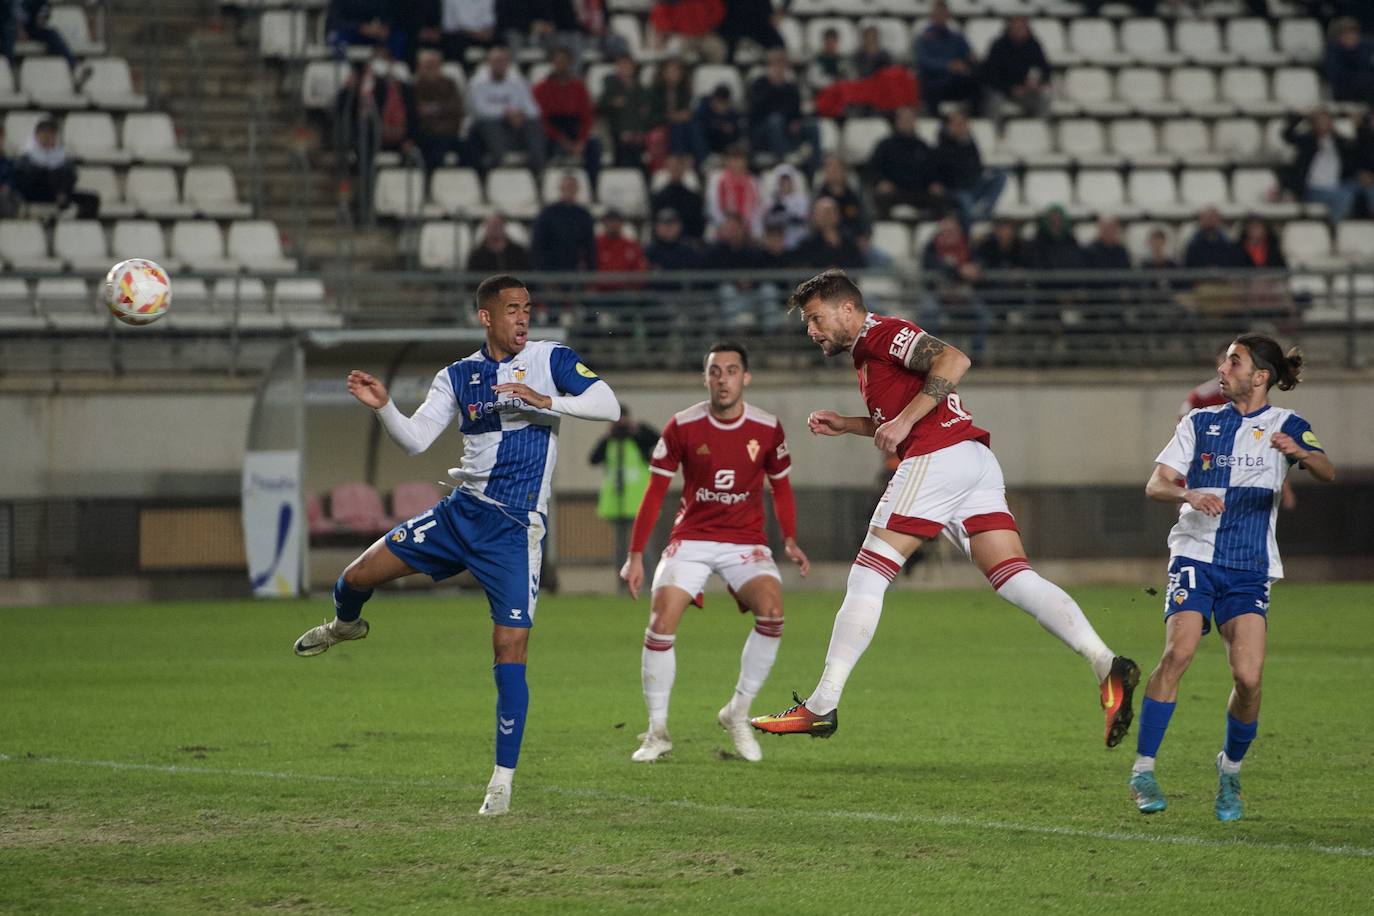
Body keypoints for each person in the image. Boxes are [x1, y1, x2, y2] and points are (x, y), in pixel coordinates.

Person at [750, 269, 1139, 750]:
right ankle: (1106, 664)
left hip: (939, 458)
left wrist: (906, 421)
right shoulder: (869, 355)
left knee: (868, 575)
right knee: (1014, 578)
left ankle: (822, 704)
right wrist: (850, 424)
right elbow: (898, 420)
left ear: (846, 309)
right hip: (971, 461)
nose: (811, 331)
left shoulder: (882, 333)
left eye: (815, 318)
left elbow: (954, 359)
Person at [291, 274, 621, 817]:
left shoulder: (550, 359)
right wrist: (383, 407)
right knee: (352, 579)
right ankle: (345, 625)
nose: (523, 318)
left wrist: (547, 399)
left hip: (515, 532)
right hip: (459, 516)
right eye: (512, 309)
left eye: (527, 308)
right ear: (485, 317)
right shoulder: (458, 376)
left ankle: (501, 781)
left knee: (509, 650)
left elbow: (607, 404)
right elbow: (417, 439)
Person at [1129, 335, 1334, 821]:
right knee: (1178, 652)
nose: (1223, 367)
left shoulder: (1288, 425)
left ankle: (1230, 771)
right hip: (1195, 556)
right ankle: (1143, 769)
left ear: (1260, 376)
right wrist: (1189, 494)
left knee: (1248, 678)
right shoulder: (1199, 422)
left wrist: (1300, 454)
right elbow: (1156, 482)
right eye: (1225, 358)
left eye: (1234, 360)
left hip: (1249, 566)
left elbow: (1327, 469)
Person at [620, 341, 809, 763]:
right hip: (692, 537)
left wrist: (791, 539)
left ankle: (737, 712)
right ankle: (657, 731)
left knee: (773, 612)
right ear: (705, 378)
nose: (722, 379)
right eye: (715, 371)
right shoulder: (682, 426)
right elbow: (654, 492)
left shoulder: (767, 428)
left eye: (731, 371)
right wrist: (635, 554)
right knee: (662, 616)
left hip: (745, 542)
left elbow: (780, 486)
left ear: (746, 378)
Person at [590, 403, 660, 568]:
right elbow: (593, 459)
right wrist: (607, 436)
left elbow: (658, 438)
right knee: (620, 547)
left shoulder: (638, 440)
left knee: (643, 545)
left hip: (639, 503)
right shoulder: (610, 442)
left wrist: (637, 430)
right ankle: (622, 586)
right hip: (617, 503)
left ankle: (648, 583)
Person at [532, 46, 603, 189]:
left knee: (595, 145)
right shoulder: (540, 88)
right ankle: (545, 186)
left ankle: (592, 186)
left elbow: (587, 118)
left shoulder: (579, 87)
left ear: (570, 63)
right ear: (552, 63)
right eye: (558, 61)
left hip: (574, 129)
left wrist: (581, 141)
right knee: (544, 145)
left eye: (564, 61)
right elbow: (542, 120)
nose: (561, 65)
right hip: (552, 132)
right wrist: (562, 141)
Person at [466, 46, 545, 173]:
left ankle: (537, 169)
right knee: (489, 124)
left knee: (534, 124)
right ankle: (497, 167)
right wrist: (506, 113)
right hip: (487, 125)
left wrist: (521, 113)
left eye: (503, 61)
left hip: (514, 124)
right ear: (488, 63)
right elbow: (479, 110)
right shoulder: (477, 82)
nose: (500, 65)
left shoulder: (517, 80)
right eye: (497, 61)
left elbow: (534, 109)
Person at [1280, 109, 1365, 223]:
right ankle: (1333, 227)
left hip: (1335, 186)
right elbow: (1287, 135)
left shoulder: (1339, 142)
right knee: (1344, 196)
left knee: (1364, 188)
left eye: (1325, 121)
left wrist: (1358, 128)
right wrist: (1302, 118)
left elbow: (1358, 152)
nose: (1322, 124)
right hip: (1314, 189)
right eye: (1319, 121)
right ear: (1314, 124)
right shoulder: (1307, 140)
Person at [747, 48, 820, 172]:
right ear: (769, 67)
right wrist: (772, 86)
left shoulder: (790, 87)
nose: (778, 68)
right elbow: (755, 111)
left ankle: (816, 166)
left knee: (813, 126)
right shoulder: (760, 84)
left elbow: (796, 111)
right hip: (763, 131)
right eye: (775, 64)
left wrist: (796, 121)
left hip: (786, 128)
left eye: (781, 64)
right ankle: (786, 158)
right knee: (775, 119)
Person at [933, 108, 1005, 227]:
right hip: (954, 189)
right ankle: (973, 225)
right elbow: (941, 171)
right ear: (950, 125)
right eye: (957, 124)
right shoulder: (942, 146)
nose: (961, 127)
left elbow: (977, 165)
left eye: (963, 124)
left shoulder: (970, 143)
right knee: (966, 200)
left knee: (1000, 176)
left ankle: (985, 212)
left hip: (972, 184)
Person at [869, 106, 943, 218]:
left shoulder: (923, 146)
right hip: (895, 191)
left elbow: (932, 171)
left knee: (940, 197)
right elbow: (874, 168)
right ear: (897, 122)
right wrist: (881, 181)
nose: (906, 122)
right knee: (882, 197)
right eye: (903, 119)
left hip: (919, 191)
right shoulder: (885, 145)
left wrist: (934, 183)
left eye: (910, 119)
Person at [13, 118, 97, 217]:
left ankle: (77, 227)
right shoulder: (26, 156)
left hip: (58, 194)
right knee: (48, 173)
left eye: (51, 133)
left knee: (92, 200)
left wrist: (63, 189)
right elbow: (21, 180)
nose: (47, 137)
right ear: (36, 136)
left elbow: (72, 177)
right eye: (44, 133)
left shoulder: (63, 156)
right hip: (33, 194)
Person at [913, 1, 979, 115]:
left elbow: (968, 56)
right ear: (932, 15)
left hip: (954, 80)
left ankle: (973, 117)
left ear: (948, 16)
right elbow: (922, 61)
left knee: (977, 82)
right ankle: (933, 119)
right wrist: (948, 66)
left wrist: (967, 62)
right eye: (937, 13)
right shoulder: (924, 38)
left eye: (943, 13)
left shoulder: (956, 37)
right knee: (929, 88)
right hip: (933, 80)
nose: (940, 16)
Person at [980, 15, 1051, 119]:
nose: (1019, 31)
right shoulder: (998, 46)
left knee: (1045, 97)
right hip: (1001, 89)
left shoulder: (1034, 45)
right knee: (994, 100)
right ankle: (994, 131)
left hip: (1025, 91)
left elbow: (1045, 68)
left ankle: (1041, 129)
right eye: (1016, 28)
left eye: (1022, 28)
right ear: (1009, 29)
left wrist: (1038, 83)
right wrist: (1011, 89)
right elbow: (990, 75)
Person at [411, 48, 467, 173]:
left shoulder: (449, 83)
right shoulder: (414, 86)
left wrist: (433, 108)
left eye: (434, 64)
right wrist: (441, 109)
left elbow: (457, 108)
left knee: (470, 150)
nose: (432, 68)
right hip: (426, 133)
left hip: (449, 131)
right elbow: (418, 112)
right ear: (420, 67)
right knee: (434, 150)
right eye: (428, 65)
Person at [532, 171, 596, 272]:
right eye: (566, 187)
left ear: (576, 189)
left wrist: (589, 269)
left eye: (572, 187)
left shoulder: (584, 215)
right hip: (551, 269)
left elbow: (589, 246)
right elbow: (539, 244)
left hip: (576, 270)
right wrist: (544, 269)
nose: (569, 190)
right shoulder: (547, 214)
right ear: (561, 188)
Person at [598, 54, 653, 168]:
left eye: (628, 65)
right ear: (617, 68)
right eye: (622, 65)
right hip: (617, 131)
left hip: (638, 132)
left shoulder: (640, 88)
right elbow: (600, 107)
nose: (625, 68)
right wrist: (612, 103)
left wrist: (638, 131)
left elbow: (646, 111)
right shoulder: (611, 87)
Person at [792, 197, 864, 269]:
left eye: (831, 211)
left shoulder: (849, 240)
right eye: (823, 212)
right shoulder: (806, 244)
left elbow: (859, 266)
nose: (827, 216)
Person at [649, 153, 706, 241]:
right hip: (663, 242)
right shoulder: (659, 197)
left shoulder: (693, 198)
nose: (675, 169)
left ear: (684, 169)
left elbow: (698, 226)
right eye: (672, 166)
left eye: (678, 166)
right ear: (667, 169)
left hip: (687, 242)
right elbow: (654, 224)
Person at [689, 83, 745, 165]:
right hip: (706, 142)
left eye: (724, 103)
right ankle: (704, 162)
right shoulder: (703, 109)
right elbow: (699, 123)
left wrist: (729, 128)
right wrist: (718, 125)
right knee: (697, 130)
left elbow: (735, 130)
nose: (720, 105)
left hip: (721, 143)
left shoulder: (732, 113)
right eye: (718, 102)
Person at [1324, 16, 1374, 104]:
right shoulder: (1333, 52)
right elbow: (1338, 78)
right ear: (1338, 37)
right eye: (1345, 34)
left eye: (1353, 33)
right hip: (1345, 92)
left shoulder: (1367, 47)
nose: (1351, 37)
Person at [467, 212, 532, 272]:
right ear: (486, 228)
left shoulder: (518, 253)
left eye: (497, 225)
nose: (494, 229)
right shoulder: (477, 256)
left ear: (504, 227)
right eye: (491, 226)